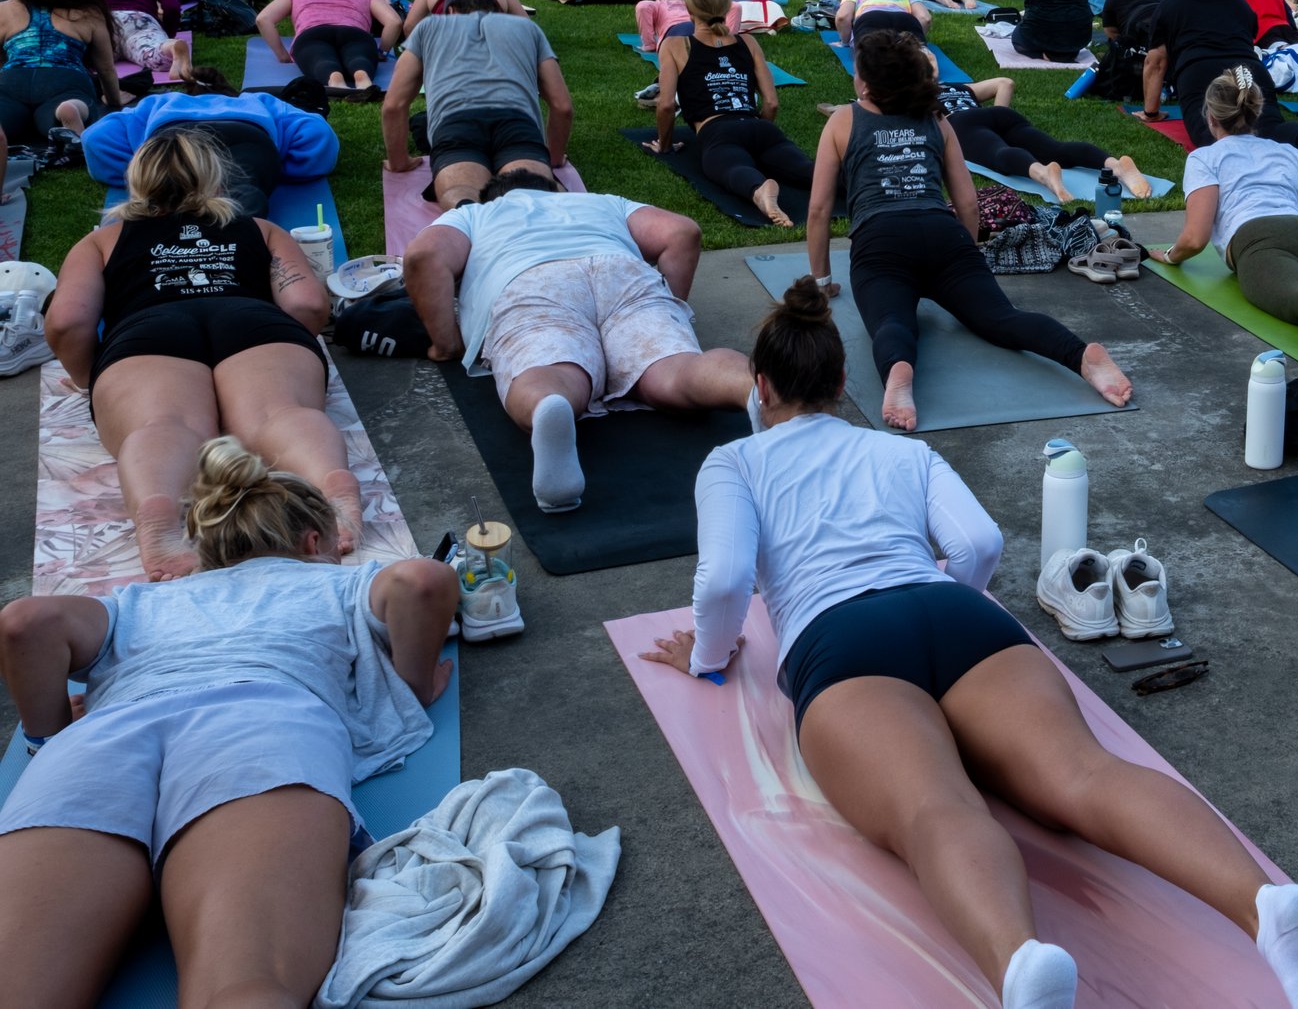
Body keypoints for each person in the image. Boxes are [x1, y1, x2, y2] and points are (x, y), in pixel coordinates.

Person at [635, 278, 1298, 1009]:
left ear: (760, 388)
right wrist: (956, 607)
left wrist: (706, 655)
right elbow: (978, 541)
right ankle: (1267, 906)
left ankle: (1021, 962)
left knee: (936, 810)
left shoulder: (735, 463)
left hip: (843, 640)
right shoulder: (898, 452)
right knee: (1085, 773)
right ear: (839, 380)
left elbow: (728, 580)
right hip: (959, 616)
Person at [0, 441, 459, 1009]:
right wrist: (409, 692)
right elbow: (423, 583)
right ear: (312, 542)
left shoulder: (141, 601)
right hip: (261, 732)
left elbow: (26, 622)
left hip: (102, 741)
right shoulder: (332, 581)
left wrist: (46, 740)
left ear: (208, 554)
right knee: (243, 988)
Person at [43, 127, 350, 578]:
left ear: (138, 182)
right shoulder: (259, 229)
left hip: (149, 333)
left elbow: (67, 322)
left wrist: (91, 379)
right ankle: (334, 494)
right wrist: (288, 346)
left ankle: (160, 519)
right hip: (251, 322)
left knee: (164, 424)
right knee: (277, 414)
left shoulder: (102, 241)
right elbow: (306, 303)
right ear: (217, 180)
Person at [806, 31, 1132, 431]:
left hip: (881, 241)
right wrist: (966, 255)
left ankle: (900, 372)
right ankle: (1082, 356)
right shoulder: (935, 118)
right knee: (1003, 318)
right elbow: (968, 202)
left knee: (892, 322)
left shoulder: (843, 120)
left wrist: (822, 280)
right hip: (944, 236)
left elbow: (819, 209)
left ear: (865, 81)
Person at [404, 172, 754, 511]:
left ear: (495, 196)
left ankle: (549, 404)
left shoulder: (473, 214)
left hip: (534, 282)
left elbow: (423, 258)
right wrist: (668, 308)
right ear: (557, 192)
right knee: (676, 369)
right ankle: (753, 388)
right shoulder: (599, 202)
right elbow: (683, 231)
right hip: (620, 272)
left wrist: (446, 344)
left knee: (553, 372)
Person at [1149, 66, 1298, 358]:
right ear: (1256, 113)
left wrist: (1170, 256)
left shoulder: (1204, 157)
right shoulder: (1288, 151)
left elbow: (1196, 238)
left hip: (1258, 238)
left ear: (1210, 118)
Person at [1145, 0, 1298, 170]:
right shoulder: (1239, 4)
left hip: (1199, 73)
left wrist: (1151, 112)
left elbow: (1156, 62)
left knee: (1208, 132)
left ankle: (1246, 161)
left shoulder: (1168, 7)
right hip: (1249, 69)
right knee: (1268, 123)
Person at [382, 0, 572, 209]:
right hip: (517, 122)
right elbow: (562, 106)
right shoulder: (527, 28)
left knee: (461, 194)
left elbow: (394, 105)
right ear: (497, 11)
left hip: (456, 123)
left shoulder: (429, 26)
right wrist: (555, 157)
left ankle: (471, 222)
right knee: (531, 195)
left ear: (450, 11)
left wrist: (399, 162)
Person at [650, 0, 814, 226]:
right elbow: (771, 103)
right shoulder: (747, 41)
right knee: (808, 171)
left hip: (717, 132)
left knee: (732, 169)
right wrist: (757, 137)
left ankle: (760, 191)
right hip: (760, 128)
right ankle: (856, 181)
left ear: (688, 8)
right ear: (727, 5)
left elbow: (667, 105)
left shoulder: (676, 45)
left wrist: (665, 145)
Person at [934, 57, 1152, 207]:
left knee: (999, 154)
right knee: (1056, 149)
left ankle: (1043, 173)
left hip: (961, 124)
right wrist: (998, 112)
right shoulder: (959, 87)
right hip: (999, 115)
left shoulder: (916, 95)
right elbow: (1005, 82)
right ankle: (1115, 165)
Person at [0, 0, 124, 146]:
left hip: (13, 80)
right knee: (70, 106)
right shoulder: (87, 10)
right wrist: (114, 104)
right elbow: (106, 69)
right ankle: (68, 109)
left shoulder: (5, 10)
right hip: (64, 81)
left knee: (6, 114)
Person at [255, 0, 400, 98]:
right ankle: (362, 77)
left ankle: (335, 79)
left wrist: (283, 55)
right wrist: (382, 51)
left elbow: (263, 19)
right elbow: (394, 22)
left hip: (312, 35)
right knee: (359, 59)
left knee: (322, 62)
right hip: (354, 34)